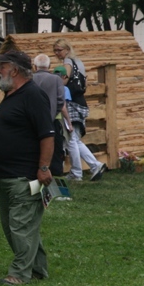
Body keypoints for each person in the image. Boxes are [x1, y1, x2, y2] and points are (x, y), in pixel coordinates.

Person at [0, 50, 55, 286]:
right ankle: (38, 269)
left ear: (14, 70)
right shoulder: (13, 95)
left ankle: (19, 273)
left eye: (2, 67)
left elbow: (47, 135)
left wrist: (43, 167)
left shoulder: (33, 95)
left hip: (24, 176)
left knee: (21, 226)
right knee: (15, 227)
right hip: (4, 176)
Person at [53, 38, 106, 181]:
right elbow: (85, 82)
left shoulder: (68, 62)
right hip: (80, 101)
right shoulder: (79, 62)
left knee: (71, 140)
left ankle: (77, 173)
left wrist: (55, 85)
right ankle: (95, 165)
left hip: (71, 103)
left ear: (67, 49)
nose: (57, 53)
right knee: (75, 139)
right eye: (55, 51)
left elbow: (64, 80)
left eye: (59, 50)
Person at [32, 54, 66, 177]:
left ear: (35, 66)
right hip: (51, 121)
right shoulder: (56, 79)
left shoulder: (30, 79)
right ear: (49, 66)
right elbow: (60, 100)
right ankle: (56, 178)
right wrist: (53, 113)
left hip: (32, 122)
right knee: (55, 151)